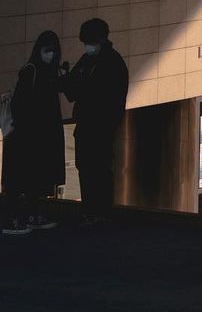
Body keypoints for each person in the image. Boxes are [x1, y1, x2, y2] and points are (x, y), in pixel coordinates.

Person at [60, 18, 128, 223]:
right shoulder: (90, 60)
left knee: (98, 169)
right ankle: (92, 210)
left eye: (89, 41)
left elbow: (99, 95)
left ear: (100, 39)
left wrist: (73, 84)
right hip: (89, 124)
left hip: (100, 125)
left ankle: (98, 211)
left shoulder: (112, 63)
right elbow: (72, 89)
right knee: (88, 167)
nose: (87, 46)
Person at [1, 30, 65, 236]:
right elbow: (21, 103)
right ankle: (16, 218)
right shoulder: (34, 71)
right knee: (22, 178)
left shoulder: (44, 71)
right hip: (28, 135)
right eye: (48, 50)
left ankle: (25, 216)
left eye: (53, 51)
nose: (51, 55)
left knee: (29, 177)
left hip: (33, 135)